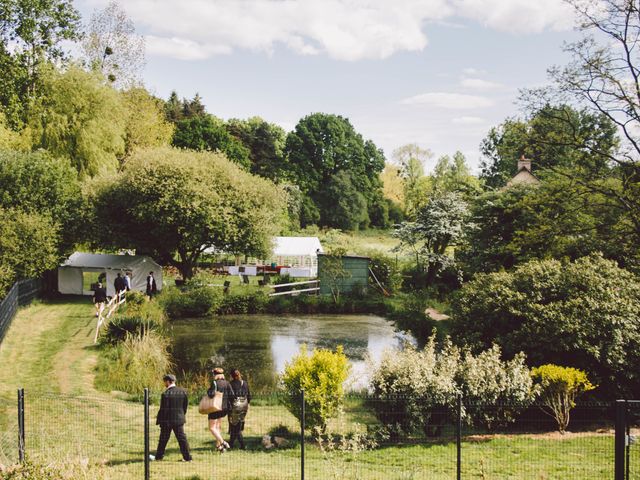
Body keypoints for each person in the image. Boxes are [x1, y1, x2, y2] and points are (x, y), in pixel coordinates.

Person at [152, 374, 192, 462]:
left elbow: (163, 409)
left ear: (168, 381)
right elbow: (185, 406)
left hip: (167, 421)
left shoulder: (166, 394)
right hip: (179, 419)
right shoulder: (183, 391)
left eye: (165, 382)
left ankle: (158, 457)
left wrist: (160, 421)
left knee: (163, 439)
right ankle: (187, 457)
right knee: (182, 439)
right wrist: (181, 415)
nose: (164, 384)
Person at [207, 367, 232, 453]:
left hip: (215, 408)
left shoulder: (214, 383)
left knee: (211, 428)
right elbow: (232, 395)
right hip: (224, 408)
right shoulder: (227, 383)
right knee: (217, 427)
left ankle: (223, 442)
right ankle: (219, 447)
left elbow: (211, 394)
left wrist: (208, 391)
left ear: (215, 374)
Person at [228, 368, 251, 450]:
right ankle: (230, 444)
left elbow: (230, 396)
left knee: (235, 425)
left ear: (231, 376)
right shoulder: (244, 383)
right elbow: (249, 395)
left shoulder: (230, 384)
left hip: (236, 405)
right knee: (237, 424)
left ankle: (242, 445)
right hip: (244, 404)